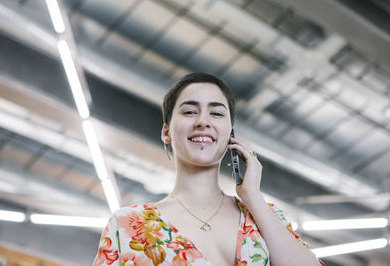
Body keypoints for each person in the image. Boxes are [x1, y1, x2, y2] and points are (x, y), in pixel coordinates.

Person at [93, 72, 324, 266]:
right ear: (166, 132)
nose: (203, 121)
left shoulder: (264, 215)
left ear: (230, 133)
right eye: (190, 112)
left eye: (216, 113)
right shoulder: (128, 225)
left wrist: (252, 196)